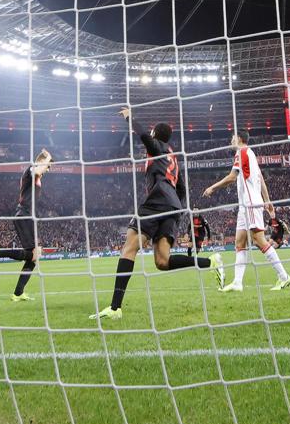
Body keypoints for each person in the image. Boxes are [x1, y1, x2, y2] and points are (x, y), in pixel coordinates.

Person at [90, 107, 223, 320]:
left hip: (156, 204)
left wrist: (129, 117)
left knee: (129, 248)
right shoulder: (173, 159)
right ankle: (211, 262)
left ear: (155, 134)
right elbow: (181, 189)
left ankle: (115, 308)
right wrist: (178, 209)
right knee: (162, 261)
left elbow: (143, 136)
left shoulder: (158, 147)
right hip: (171, 208)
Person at [203, 130, 290, 293]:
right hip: (245, 206)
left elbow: (232, 177)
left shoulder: (242, 151)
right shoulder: (250, 154)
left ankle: (284, 277)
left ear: (239, 138)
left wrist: (212, 187)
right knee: (240, 242)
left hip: (250, 204)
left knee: (259, 240)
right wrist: (267, 199)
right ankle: (237, 283)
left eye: (233, 137)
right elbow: (260, 178)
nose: (231, 139)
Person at [0, 149, 53, 301]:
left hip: (27, 216)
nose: (49, 169)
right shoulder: (31, 170)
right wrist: (47, 158)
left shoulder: (36, 175)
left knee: (33, 257)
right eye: (48, 166)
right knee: (35, 254)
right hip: (24, 215)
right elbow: (37, 169)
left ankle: (18, 293)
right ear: (41, 163)